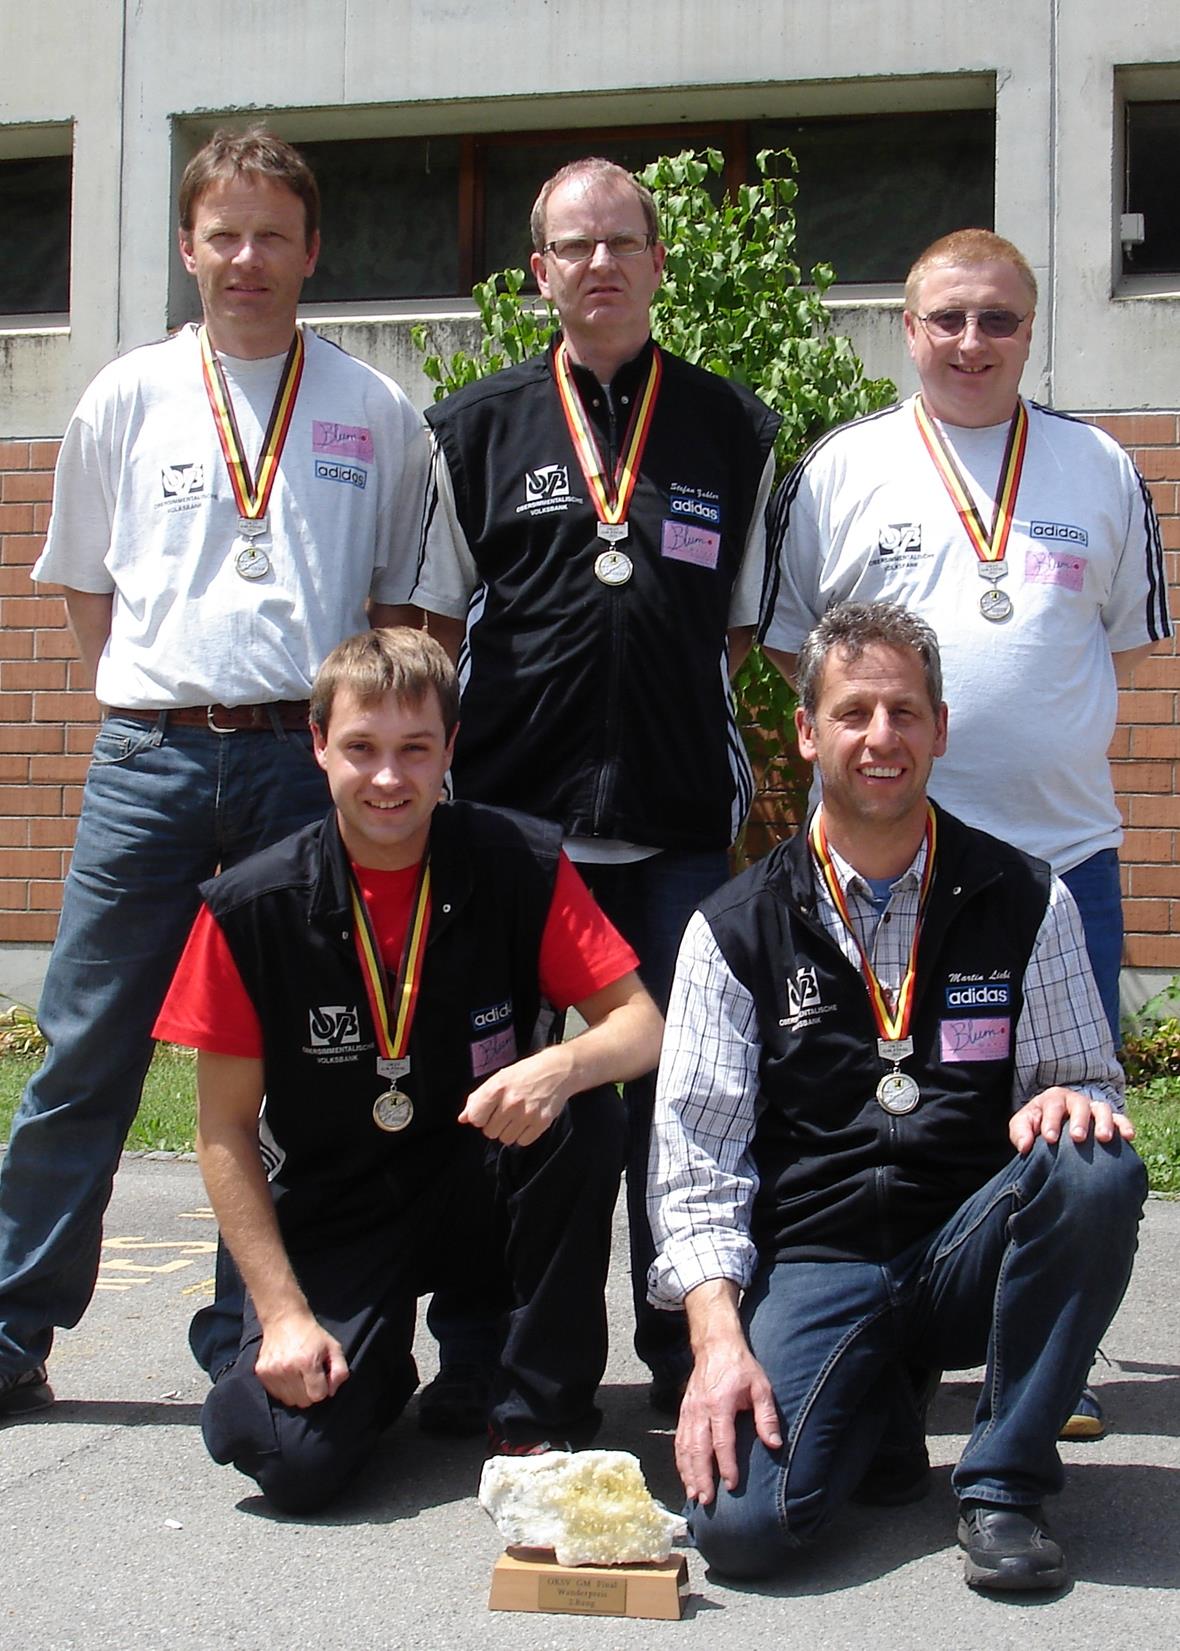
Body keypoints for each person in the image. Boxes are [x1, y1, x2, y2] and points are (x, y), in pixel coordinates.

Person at [0, 128, 429, 1420]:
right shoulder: (125, 396)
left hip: (304, 770)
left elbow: (400, 610)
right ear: (187, 246)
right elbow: (85, 588)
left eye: (272, 235)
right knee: (87, 1048)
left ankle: (256, 1335)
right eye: (224, 233)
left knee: (301, 1066)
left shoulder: (373, 409)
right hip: (152, 759)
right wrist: (165, 699)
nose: (248, 257)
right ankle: (13, 1324)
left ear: (313, 251)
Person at [648, 602, 1146, 1593]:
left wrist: (1070, 1103)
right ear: (807, 731)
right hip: (819, 1259)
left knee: (1095, 1167)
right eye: (854, 712)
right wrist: (717, 1342)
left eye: (905, 712)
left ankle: (1003, 1486)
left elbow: (1086, 1081)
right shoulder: (735, 928)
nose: (882, 736)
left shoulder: (1024, 897)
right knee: (743, 1531)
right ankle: (875, 1396)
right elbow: (697, 1162)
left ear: (940, 728)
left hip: (965, 1251)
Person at [406, 156, 781, 1421]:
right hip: (514, 829)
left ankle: (683, 1350)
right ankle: (488, 1350)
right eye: (575, 245)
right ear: (539, 272)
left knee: (682, 1101)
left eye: (623, 241)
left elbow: (735, 629)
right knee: (505, 1093)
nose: (601, 263)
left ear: (659, 261)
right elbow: (432, 618)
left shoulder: (731, 427)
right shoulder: (473, 429)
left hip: (675, 828)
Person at [152, 627, 661, 1511]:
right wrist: (284, 1315)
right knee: (286, 1458)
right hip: (336, 1206)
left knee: (587, 1114)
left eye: (415, 749)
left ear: (450, 749)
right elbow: (223, 1130)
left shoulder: (518, 862)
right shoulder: (251, 908)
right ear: (318, 744)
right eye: (362, 747)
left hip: (474, 1180)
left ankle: (536, 1409)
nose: (389, 777)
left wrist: (559, 1065)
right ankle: (362, 1362)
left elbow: (640, 1024)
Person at [760, 228, 1171, 1048]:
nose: (972, 342)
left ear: (1030, 330)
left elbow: (1124, 642)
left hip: (1064, 857)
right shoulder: (839, 467)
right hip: (880, 866)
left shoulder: (1101, 466)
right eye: (948, 318)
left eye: (998, 320)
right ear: (910, 329)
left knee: (1073, 1102)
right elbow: (794, 648)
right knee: (880, 1098)